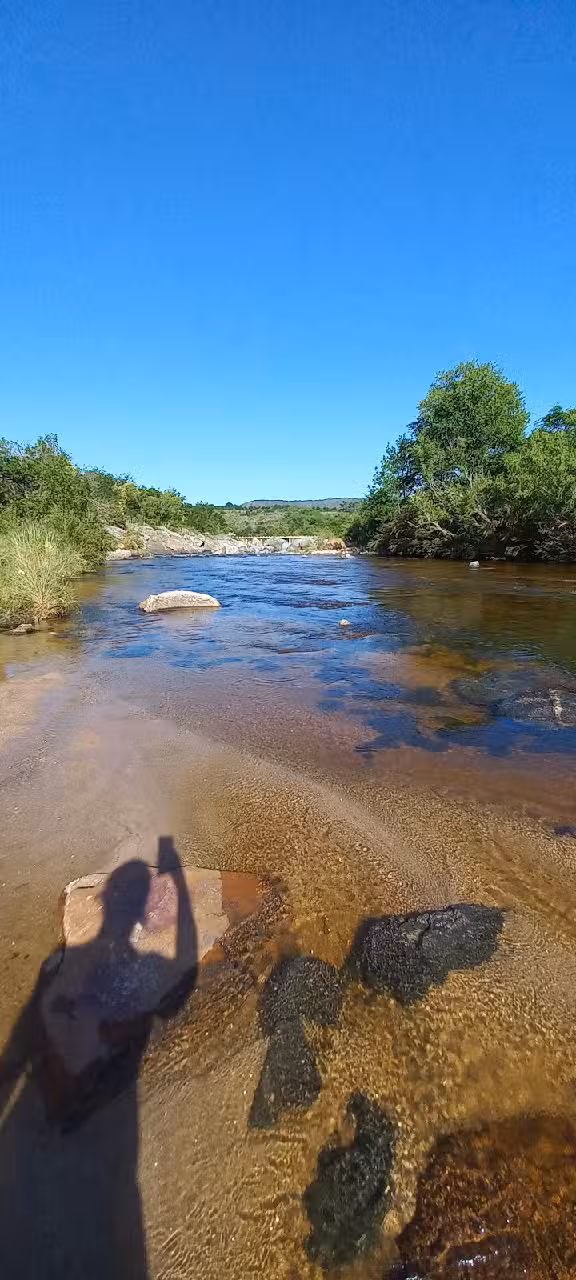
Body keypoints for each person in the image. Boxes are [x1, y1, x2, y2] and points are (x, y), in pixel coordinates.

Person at [0, 838, 197, 1280]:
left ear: (103, 900)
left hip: (43, 1120)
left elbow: (18, 1052)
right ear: (144, 914)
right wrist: (178, 884)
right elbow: (185, 971)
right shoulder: (147, 970)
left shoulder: (59, 963)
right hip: (108, 1130)